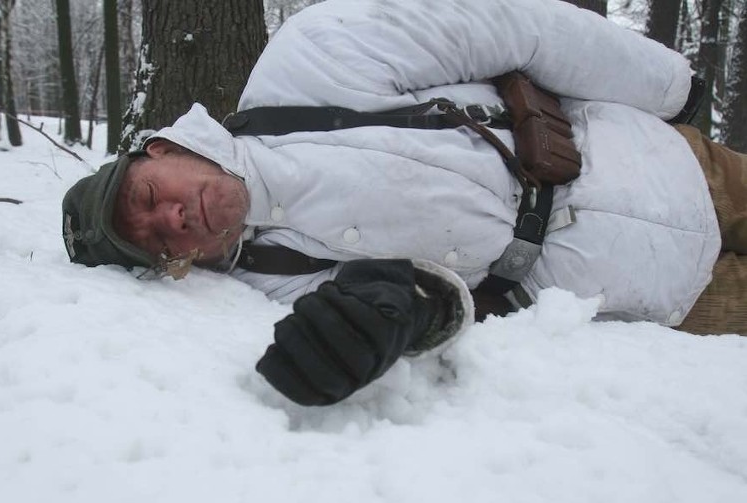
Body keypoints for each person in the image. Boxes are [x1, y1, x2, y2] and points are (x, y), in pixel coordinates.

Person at [62, 0, 746, 406]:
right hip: (666, 296)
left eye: (150, 197)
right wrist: (394, 322)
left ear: (160, 150)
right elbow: (437, 301)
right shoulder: (268, 282)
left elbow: (519, 28)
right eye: (155, 239)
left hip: (677, 166)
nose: (172, 219)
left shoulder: (316, 56)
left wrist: (670, 89)